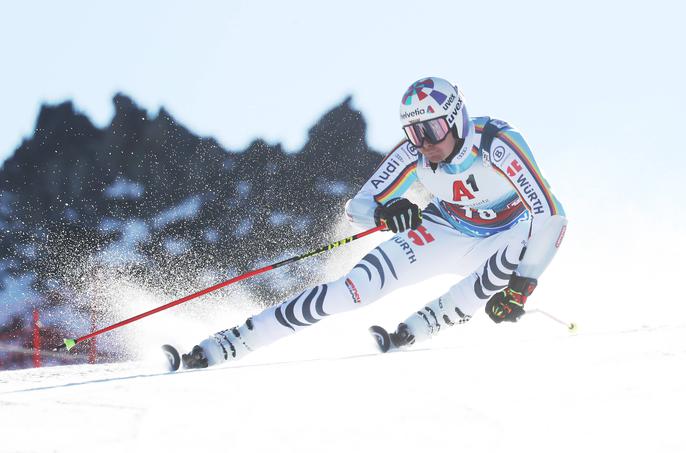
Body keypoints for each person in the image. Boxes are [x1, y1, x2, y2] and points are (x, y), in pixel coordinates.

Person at [182, 76, 567, 368]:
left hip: (503, 237)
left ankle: (438, 316)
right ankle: (235, 341)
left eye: (431, 129)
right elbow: (358, 206)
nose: (424, 142)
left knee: (526, 241)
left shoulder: (496, 143)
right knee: (351, 291)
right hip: (445, 230)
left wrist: (521, 287)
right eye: (414, 133)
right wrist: (384, 212)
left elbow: (552, 215)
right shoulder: (413, 156)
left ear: (455, 119)